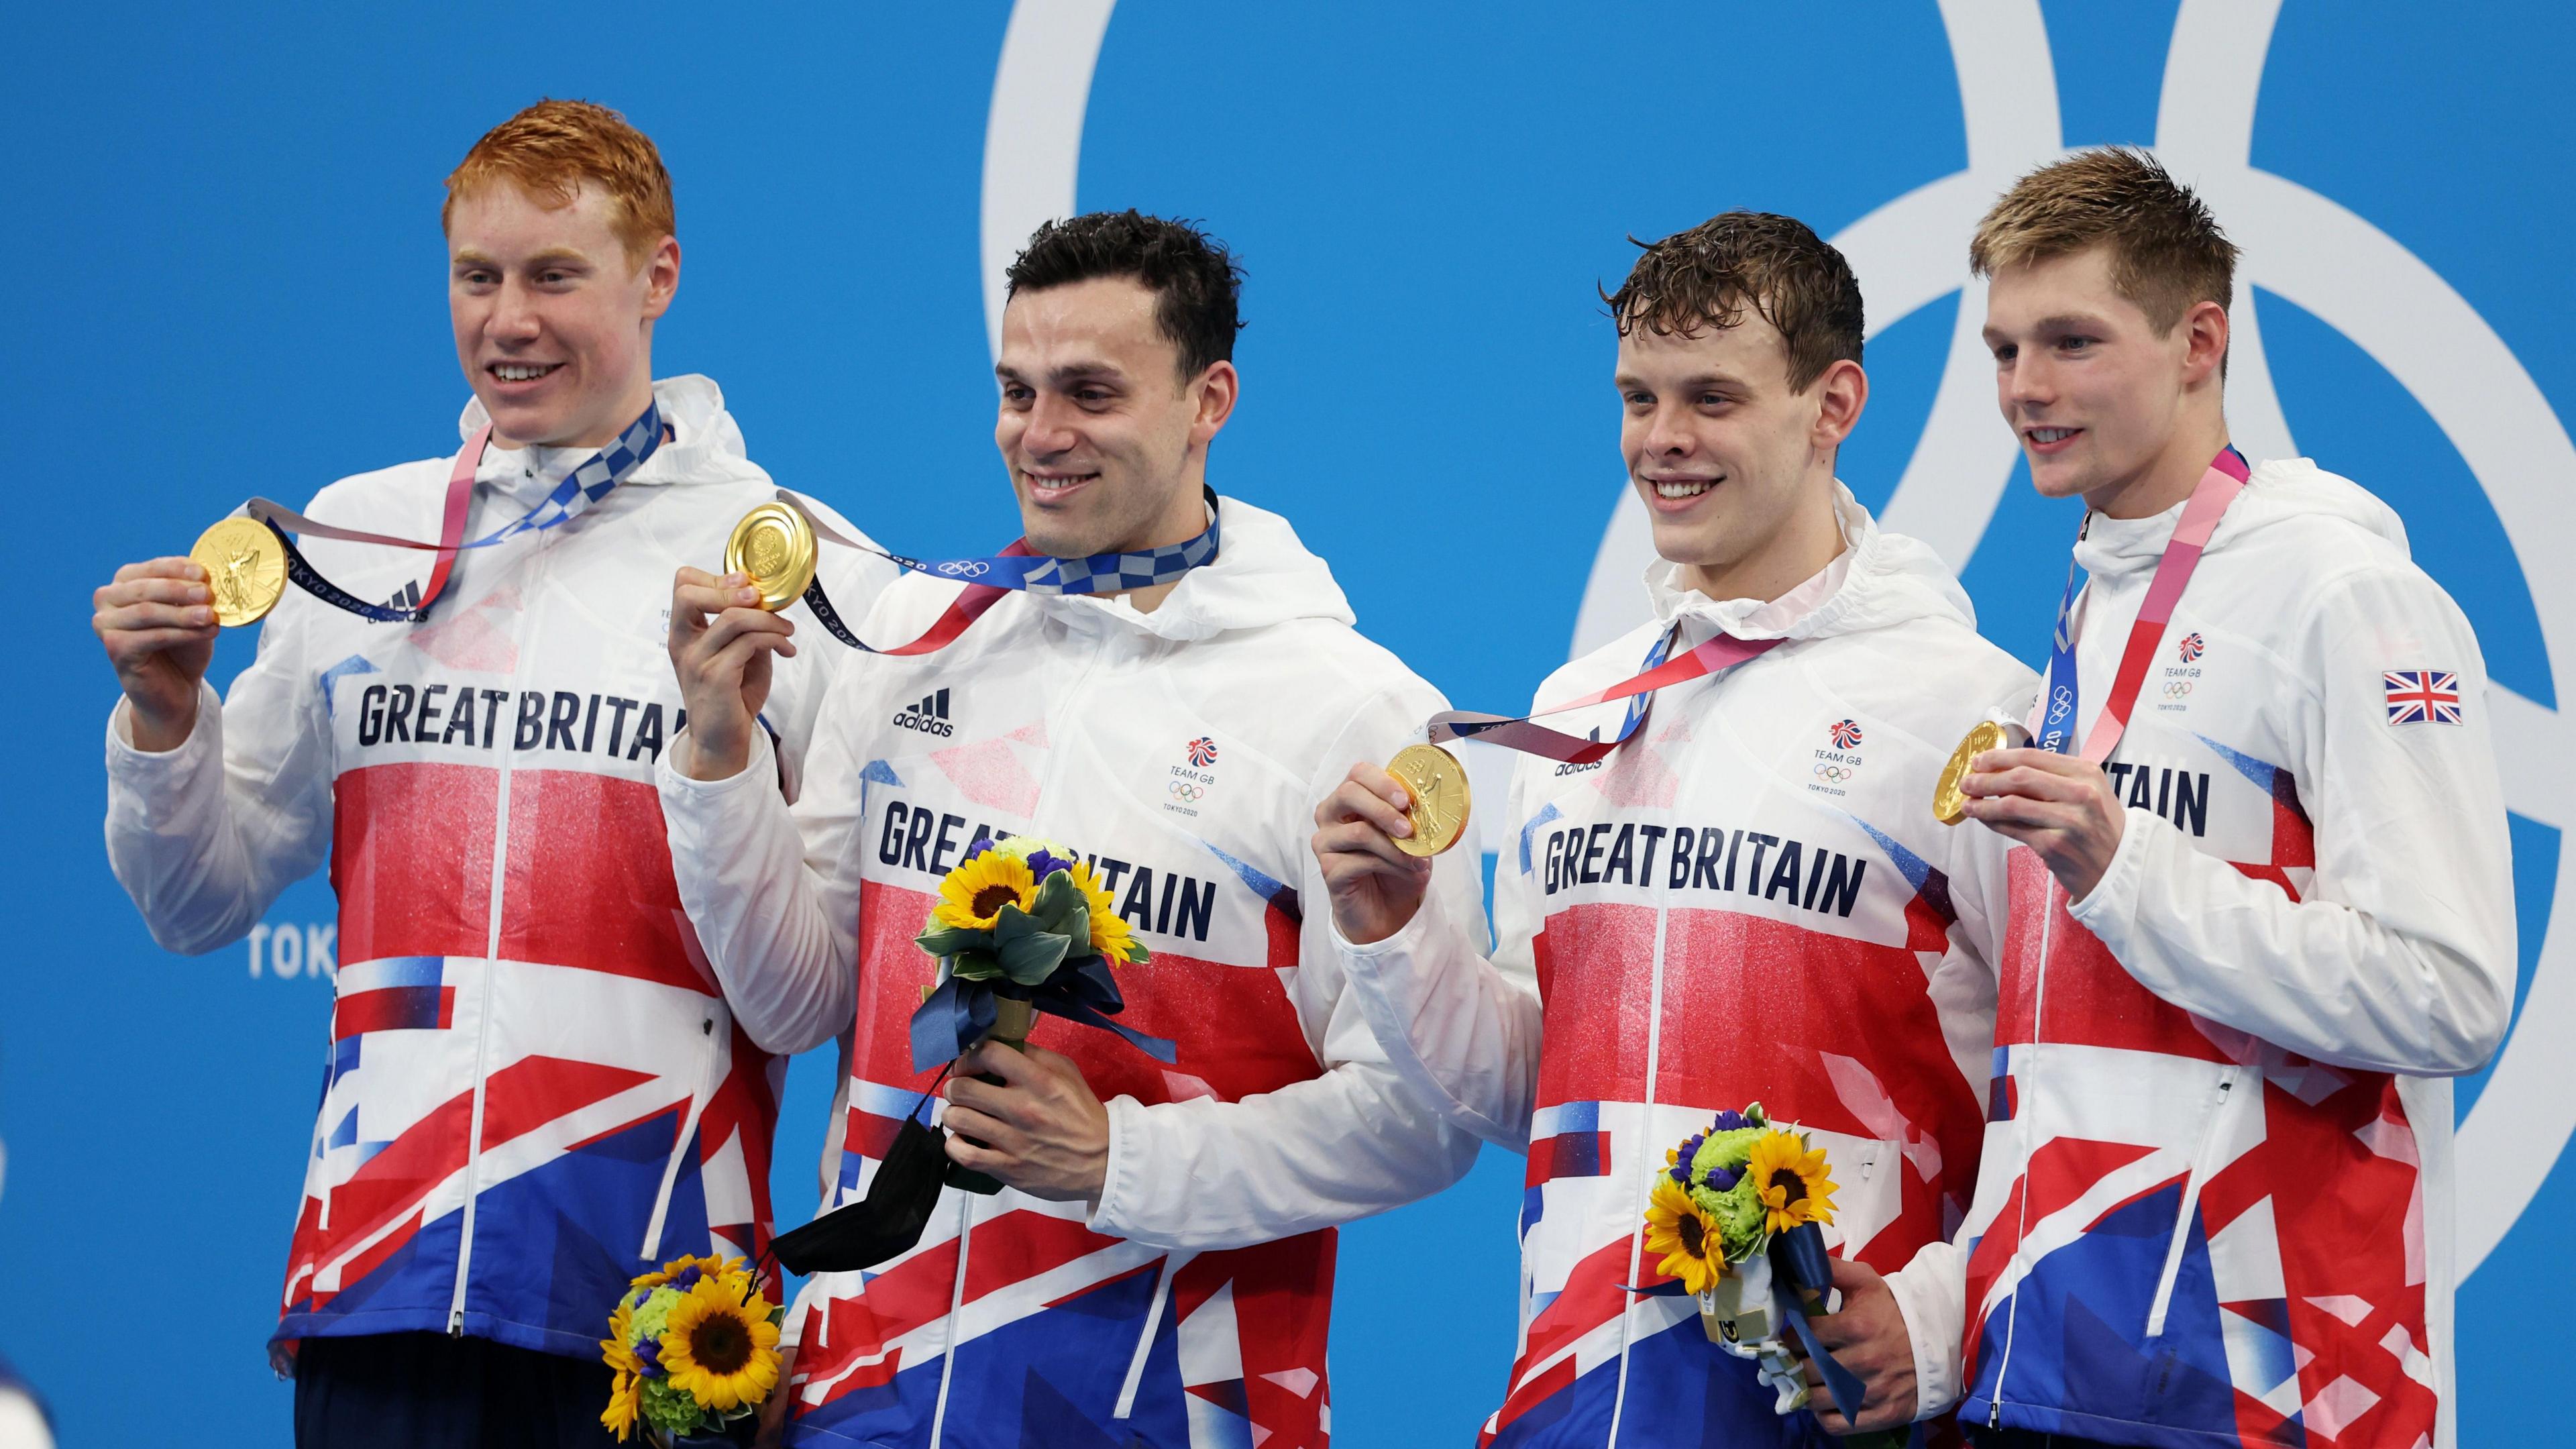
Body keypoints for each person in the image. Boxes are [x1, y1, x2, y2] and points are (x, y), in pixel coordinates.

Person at [92, 99, 894, 1448]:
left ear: (660, 278)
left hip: (665, 1316)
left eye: (553, 276)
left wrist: (717, 755)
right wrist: (168, 720)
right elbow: (196, 902)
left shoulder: (798, 567)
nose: (507, 319)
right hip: (381, 1283)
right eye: (478, 277)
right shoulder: (363, 541)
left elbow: (806, 999)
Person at [658, 210, 1483, 1449]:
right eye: (1016, 389)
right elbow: (793, 1005)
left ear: (1210, 399)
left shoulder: (1345, 709)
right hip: (864, 1405)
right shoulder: (914, 634)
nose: (1039, 436)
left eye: (1090, 393)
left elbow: (1420, 1121)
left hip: (1166, 1414)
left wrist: (1118, 1162)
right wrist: (721, 761)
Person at [1311, 211, 2035, 1445]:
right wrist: (1395, 937)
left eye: (1712, 397)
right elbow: (1533, 1086)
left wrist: (1935, 1315)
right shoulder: (1577, 708)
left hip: (1832, 1402)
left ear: (1833, 403)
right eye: (1638, 399)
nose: (1663, 442)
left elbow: (2055, 1088)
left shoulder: (1972, 712)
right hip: (1574, 1390)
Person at [1950, 147, 2514, 1449]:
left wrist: (2124, 865)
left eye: (2073, 342)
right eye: (2004, 348)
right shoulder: (2092, 604)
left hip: (2273, 1380)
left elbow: (2447, 989)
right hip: (2058, 1369)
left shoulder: (2343, 593)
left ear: (2199, 339)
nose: (2026, 389)